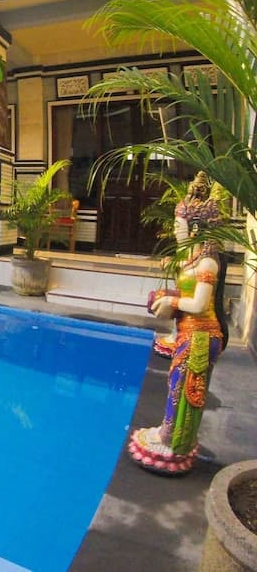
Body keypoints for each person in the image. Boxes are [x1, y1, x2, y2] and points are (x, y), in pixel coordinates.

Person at [128, 172, 228, 475]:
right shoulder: (192, 258)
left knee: (187, 390)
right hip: (188, 333)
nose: (174, 229)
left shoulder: (208, 262)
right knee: (176, 385)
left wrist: (172, 302)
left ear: (195, 228)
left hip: (201, 335)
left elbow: (198, 304)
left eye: (178, 224)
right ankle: (169, 433)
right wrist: (169, 298)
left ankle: (175, 443)